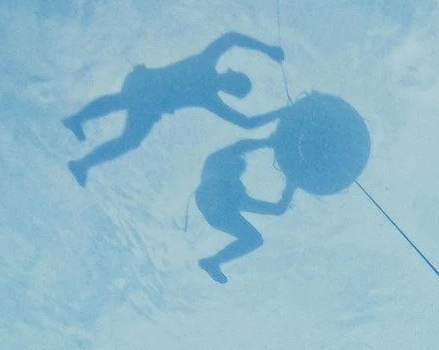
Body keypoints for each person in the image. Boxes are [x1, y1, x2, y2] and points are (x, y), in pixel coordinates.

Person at [62, 32, 286, 186]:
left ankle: (82, 161)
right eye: (234, 82)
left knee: (129, 136)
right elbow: (231, 38)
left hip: (149, 104)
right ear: (230, 73)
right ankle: (78, 126)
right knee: (125, 102)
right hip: (145, 86)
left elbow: (245, 122)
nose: (229, 85)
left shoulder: (207, 95)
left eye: (233, 87)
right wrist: (267, 49)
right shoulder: (205, 67)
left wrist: (280, 112)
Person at [194, 137, 288, 283]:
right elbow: (239, 146)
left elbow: (275, 209)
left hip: (218, 214)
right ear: (228, 163)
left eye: (239, 172)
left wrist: (291, 186)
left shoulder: (236, 192)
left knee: (254, 239)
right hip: (213, 204)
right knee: (253, 238)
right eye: (236, 167)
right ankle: (213, 262)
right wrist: (267, 142)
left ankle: (213, 262)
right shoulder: (214, 165)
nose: (237, 173)